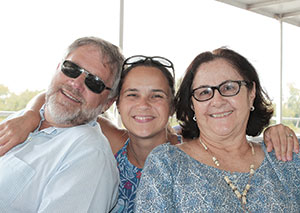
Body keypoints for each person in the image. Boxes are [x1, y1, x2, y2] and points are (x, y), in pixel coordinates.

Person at [0, 54, 298, 212]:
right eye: (132, 95)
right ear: (113, 104)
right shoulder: (110, 139)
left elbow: (227, 131)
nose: (143, 105)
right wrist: (28, 116)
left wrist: (273, 132)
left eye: (157, 95)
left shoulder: (187, 153)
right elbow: (61, 98)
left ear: (172, 105)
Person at [135, 47, 300, 212]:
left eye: (229, 87)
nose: (217, 101)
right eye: (204, 92)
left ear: (251, 93)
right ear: (193, 105)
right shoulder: (166, 164)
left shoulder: (286, 156)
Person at [0, 36, 124, 212]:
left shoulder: (89, 155)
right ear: (58, 68)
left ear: (108, 103)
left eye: (94, 82)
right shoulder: (23, 119)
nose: (76, 83)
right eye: (71, 68)